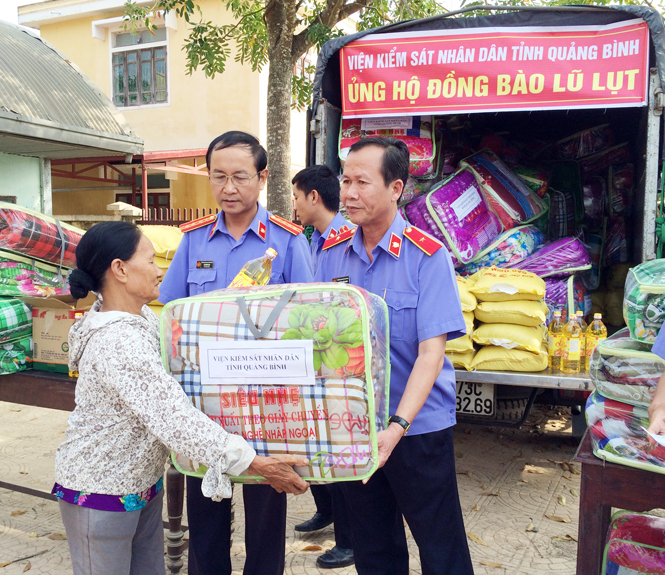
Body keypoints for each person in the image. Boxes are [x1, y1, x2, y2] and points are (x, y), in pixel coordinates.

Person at [53, 221, 308, 575]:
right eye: (151, 261)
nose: (160, 271)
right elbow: (174, 418)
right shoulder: (118, 342)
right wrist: (251, 461)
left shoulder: (141, 320)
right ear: (120, 270)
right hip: (100, 493)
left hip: (139, 487)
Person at [315, 137, 475, 575]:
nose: (348, 193)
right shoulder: (329, 255)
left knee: (441, 547)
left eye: (362, 182)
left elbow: (431, 354)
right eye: (345, 180)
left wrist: (397, 426)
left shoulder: (427, 257)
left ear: (395, 187)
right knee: (374, 547)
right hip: (354, 429)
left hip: (417, 429)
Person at [158, 131, 314, 575]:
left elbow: (309, 320)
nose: (228, 188)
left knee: (266, 510)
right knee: (206, 505)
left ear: (262, 178)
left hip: (269, 402)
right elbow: (172, 313)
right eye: (218, 177)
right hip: (203, 403)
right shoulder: (194, 241)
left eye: (240, 177)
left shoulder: (287, 241)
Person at [291, 164, 355, 569]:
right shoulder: (309, 240)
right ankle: (326, 509)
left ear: (314, 197)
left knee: (340, 452)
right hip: (309, 359)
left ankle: (351, 539)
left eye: (296, 196)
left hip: (338, 362)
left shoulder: (348, 239)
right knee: (312, 443)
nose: (294, 204)